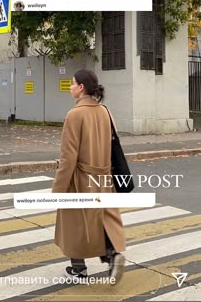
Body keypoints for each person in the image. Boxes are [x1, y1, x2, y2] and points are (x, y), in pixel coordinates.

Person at [52, 69, 125, 285]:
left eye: (72, 83)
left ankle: (78, 269)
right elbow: (113, 146)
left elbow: (68, 159)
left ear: (81, 87)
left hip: (81, 179)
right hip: (105, 177)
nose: (70, 87)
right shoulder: (105, 112)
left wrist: (58, 190)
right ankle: (113, 256)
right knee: (103, 219)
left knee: (75, 223)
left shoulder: (74, 115)